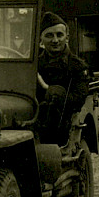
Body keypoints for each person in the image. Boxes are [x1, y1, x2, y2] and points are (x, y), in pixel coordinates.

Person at [36, 12, 89, 146]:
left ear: (67, 38)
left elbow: (78, 99)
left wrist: (50, 90)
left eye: (59, 35)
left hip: (61, 125)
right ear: (40, 39)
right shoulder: (34, 65)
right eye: (49, 35)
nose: (55, 40)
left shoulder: (77, 66)